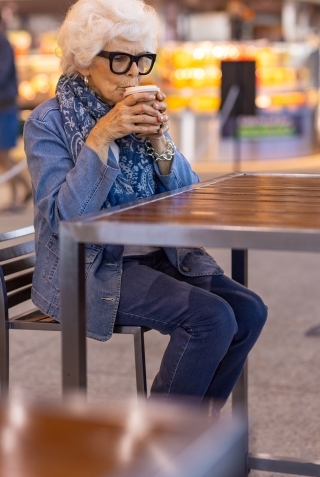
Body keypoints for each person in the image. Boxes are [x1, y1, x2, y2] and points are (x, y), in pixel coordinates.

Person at [24, 0, 267, 410]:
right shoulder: (48, 123)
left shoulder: (138, 114)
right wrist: (101, 138)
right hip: (91, 266)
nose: (134, 73)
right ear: (84, 61)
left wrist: (161, 143)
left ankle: (193, 444)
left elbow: (190, 196)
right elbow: (66, 220)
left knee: (248, 310)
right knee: (211, 318)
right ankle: (158, 452)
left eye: (141, 60)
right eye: (120, 59)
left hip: (160, 255)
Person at [0, 26, 31, 210]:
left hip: (5, 107)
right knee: (3, 156)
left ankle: (22, 191)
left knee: (4, 155)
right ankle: (20, 192)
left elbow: (2, 74)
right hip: (4, 105)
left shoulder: (3, 42)